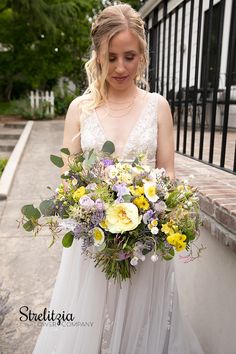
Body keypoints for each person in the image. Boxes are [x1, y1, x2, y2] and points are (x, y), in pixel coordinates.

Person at [33, 3, 204, 354]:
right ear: (97, 54)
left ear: (142, 54)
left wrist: (155, 215)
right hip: (93, 244)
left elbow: (167, 171)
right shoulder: (80, 109)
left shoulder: (158, 106)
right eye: (111, 57)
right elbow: (68, 175)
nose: (120, 67)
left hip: (145, 245)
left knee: (143, 325)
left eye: (129, 56)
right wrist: (94, 210)